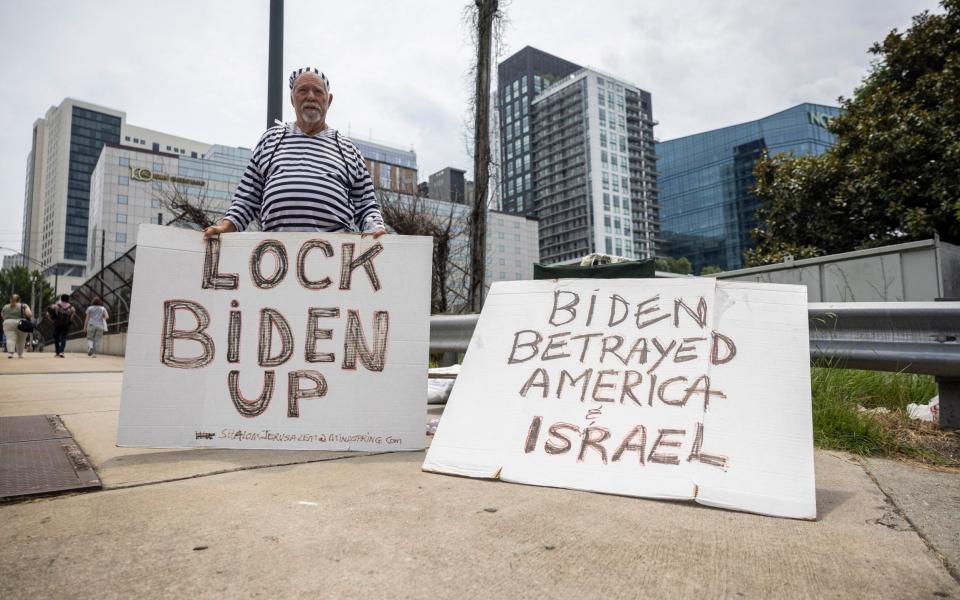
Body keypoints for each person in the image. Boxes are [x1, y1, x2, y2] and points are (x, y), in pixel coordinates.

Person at [204, 67, 388, 239]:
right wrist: (226, 227)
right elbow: (247, 198)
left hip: (334, 261)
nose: (310, 96)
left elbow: (366, 205)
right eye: (302, 90)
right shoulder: (270, 140)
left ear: (328, 100)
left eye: (317, 91)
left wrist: (375, 228)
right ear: (292, 99)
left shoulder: (349, 150)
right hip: (274, 258)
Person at [2, 294, 32, 359]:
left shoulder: (5, 306)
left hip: (8, 323)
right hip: (21, 323)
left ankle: (10, 353)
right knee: (21, 340)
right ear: (19, 300)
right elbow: (29, 314)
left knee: (10, 339)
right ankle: (20, 355)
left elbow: (2, 315)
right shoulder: (24, 305)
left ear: (10, 299)